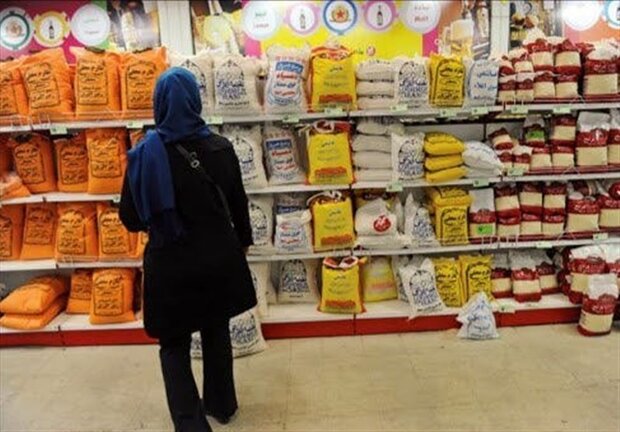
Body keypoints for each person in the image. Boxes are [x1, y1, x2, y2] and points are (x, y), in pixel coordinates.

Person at [120, 67, 256, 432]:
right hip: (216, 258)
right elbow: (238, 203)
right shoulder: (221, 148)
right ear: (195, 101)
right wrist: (243, 242)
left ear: (159, 104)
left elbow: (130, 218)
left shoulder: (143, 155)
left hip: (170, 263)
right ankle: (222, 405)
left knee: (173, 345)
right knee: (216, 331)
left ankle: (190, 423)